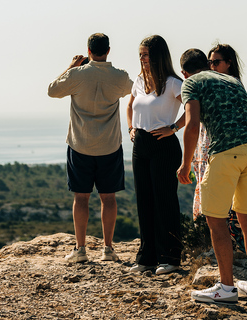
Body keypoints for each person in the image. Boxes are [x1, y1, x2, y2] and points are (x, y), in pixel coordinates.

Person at [177, 48, 247, 304]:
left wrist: (184, 166)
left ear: (184, 72)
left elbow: (192, 124)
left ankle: (227, 288)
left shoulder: (192, 83)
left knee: (216, 221)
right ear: (207, 64)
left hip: (227, 152)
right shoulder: (232, 81)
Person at [48, 33, 133, 263]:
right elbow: (134, 91)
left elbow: (52, 90)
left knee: (81, 198)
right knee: (109, 198)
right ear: (108, 50)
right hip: (110, 146)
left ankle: (81, 249)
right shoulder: (120, 77)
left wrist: (70, 66)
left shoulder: (77, 75)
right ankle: (107, 249)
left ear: (88, 51)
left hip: (80, 145)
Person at [126, 35, 184, 275]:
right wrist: (130, 127)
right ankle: (147, 258)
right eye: (140, 54)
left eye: (146, 54)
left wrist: (174, 127)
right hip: (140, 144)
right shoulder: (140, 80)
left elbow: (194, 110)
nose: (142, 59)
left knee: (164, 202)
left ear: (158, 56)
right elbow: (130, 105)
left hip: (164, 145)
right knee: (144, 201)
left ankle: (170, 257)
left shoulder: (173, 83)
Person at [192, 44, 247, 220]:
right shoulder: (214, 87)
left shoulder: (233, 88)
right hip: (213, 154)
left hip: (223, 154)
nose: (212, 66)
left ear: (229, 63)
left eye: (216, 62)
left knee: (219, 214)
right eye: (209, 62)